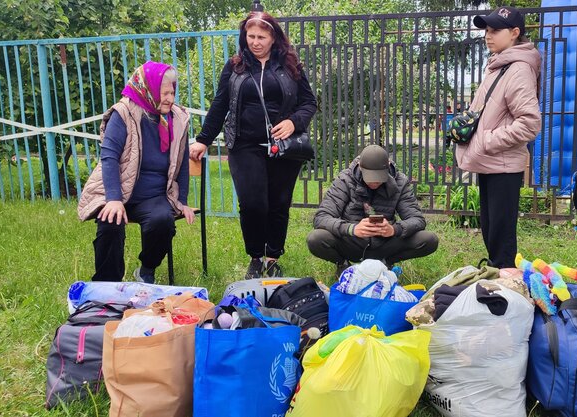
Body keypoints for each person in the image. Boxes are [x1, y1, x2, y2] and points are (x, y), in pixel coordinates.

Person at [189, 11, 318, 279]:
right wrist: (204, 140)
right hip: (244, 144)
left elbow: (309, 102)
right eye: (251, 36)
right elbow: (220, 104)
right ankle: (255, 257)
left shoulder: (291, 66)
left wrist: (294, 122)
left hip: (283, 146)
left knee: (279, 203)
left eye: (262, 36)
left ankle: (273, 258)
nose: (255, 42)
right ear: (244, 36)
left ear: (274, 38)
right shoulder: (235, 66)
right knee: (253, 204)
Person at [77, 61, 195, 284]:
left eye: (172, 92)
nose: (170, 98)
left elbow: (182, 162)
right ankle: (107, 283)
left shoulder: (178, 119)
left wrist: (182, 201)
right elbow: (109, 157)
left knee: (163, 222)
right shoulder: (123, 114)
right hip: (118, 191)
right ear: (147, 91)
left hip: (153, 196)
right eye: (164, 93)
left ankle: (146, 271)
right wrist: (113, 199)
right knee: (110, 221)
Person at [455, 6, 542, 268]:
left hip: (502, 162)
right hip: (491, 161)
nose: (487, 36)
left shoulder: (518, 69)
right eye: (486, 30)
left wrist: (486, 140)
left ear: (515, 33)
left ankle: (505, 291)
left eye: (495, 30)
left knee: (501, 237)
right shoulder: (498, 65)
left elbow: (529, 123)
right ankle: (498, 280)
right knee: (492, 230)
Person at [307, 145, 439, 275]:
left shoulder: (400, 181)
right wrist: (351, 229)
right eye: (370, 177)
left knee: (429, 239)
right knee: (316, 238)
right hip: (351, 242)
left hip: (385, 243)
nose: (375, 182)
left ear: (388, 166)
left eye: (379, 177)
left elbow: (417, 220)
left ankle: (386, 262)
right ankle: (343, 264)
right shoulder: (345, 180)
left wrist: (394, 230)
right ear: (360, 166)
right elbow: (322, 217)